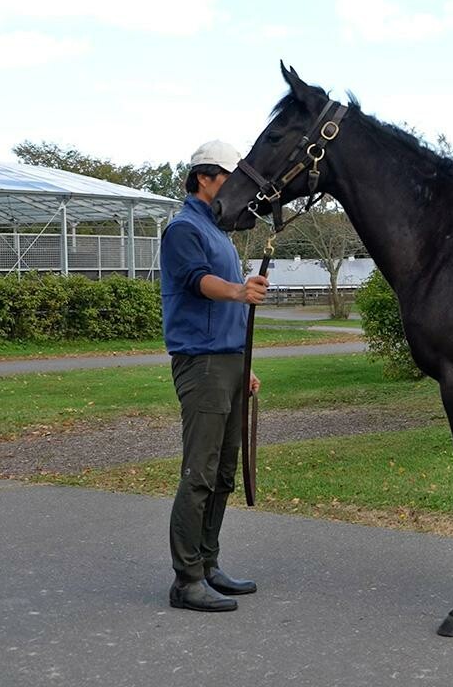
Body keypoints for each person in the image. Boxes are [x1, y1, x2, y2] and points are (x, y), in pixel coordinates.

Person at [159, 139, 269, 612]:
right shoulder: (184, 229)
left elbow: (226, 304)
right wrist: (239, 290)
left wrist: (244, 365)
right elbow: (198, 282)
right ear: (204, 177)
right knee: (200, 472)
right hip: (200, 362)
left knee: (223, 471)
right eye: (228, 176)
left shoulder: (217, 229)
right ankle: (186, 580)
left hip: (226, 362)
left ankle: (208, 564)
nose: (235, 185)